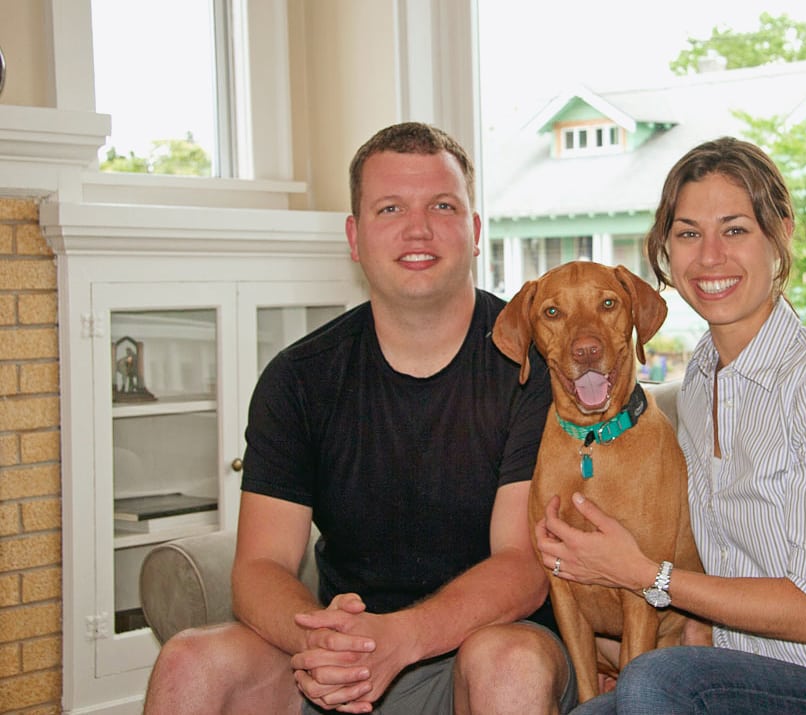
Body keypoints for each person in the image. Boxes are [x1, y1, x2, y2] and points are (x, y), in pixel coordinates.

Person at [144, 122, 576, 714]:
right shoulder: (299, 379)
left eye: (442, 206)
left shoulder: (530, 367)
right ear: (354, 236)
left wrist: (400, 639)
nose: (417, 228)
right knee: (191, 661)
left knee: (510, 664)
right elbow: (260, 567)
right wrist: (323, 642)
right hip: (343, 656)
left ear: (474, 231)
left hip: (482, 648)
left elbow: (521, 566)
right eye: (389, 207)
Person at [535, 136, 806, 714]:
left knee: (655, 683)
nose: (709, 257)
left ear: (780, 233)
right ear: (666, 249)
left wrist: (645, 576)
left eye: (734, 230)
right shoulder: (702, 377)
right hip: (749, 680)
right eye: (687, 234)